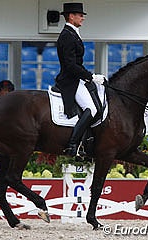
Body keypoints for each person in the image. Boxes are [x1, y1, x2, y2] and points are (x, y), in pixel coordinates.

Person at [55, 2, 105, 158]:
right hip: (70, 80)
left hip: (77, 78)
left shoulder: (72, 33)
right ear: (71, 16)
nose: (82, 18)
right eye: (80, 15)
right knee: (92, 109)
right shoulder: (67, 36)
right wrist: (90, 76)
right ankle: (73, 145)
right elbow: (70, 65)